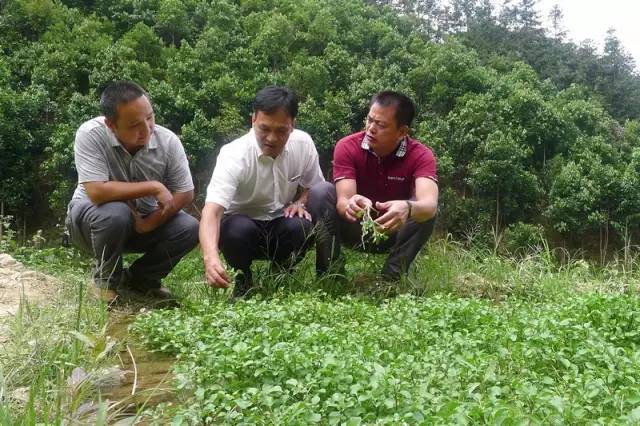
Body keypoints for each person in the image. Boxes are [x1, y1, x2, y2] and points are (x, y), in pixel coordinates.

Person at [65, 80, 199, 304]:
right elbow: (97, 192)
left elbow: (185, 193)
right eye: (134, 125)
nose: (147, 130)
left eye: (150, 118)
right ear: (111, 124)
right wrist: (153, 186)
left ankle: (140, 280)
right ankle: (105, 283)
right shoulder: (90, 134)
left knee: (189, 227)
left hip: (141, 224)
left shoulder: (168, 141)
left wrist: (150, 223)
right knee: (116, 213)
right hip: (90, 224)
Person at [200, 86, 325, 299]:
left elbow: (315, 186)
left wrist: (301, 202)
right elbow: (211, 212)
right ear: (253, 120)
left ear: (292, 125)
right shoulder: (234, 155)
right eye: (264, 129)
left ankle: (281, 274)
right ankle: (243, 277)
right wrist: (210, 257)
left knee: (302, 226)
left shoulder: (303, 144)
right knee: (236, 230)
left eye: (281, 130)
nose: (272, 138)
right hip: (242, 228)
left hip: (280, 223)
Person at [308, 91, 438, 280]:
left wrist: (408, 208)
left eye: (381, 125)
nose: (371, 129)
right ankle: (331, 275)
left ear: (402, 132)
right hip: (354, 228)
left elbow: (430, 203)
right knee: (320, 192)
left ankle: (390, 279)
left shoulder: (421, 155)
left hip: (394, 230)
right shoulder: (347, 146)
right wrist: (353, 204)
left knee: (425, 210)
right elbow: (343, 201)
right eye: (369, 120)